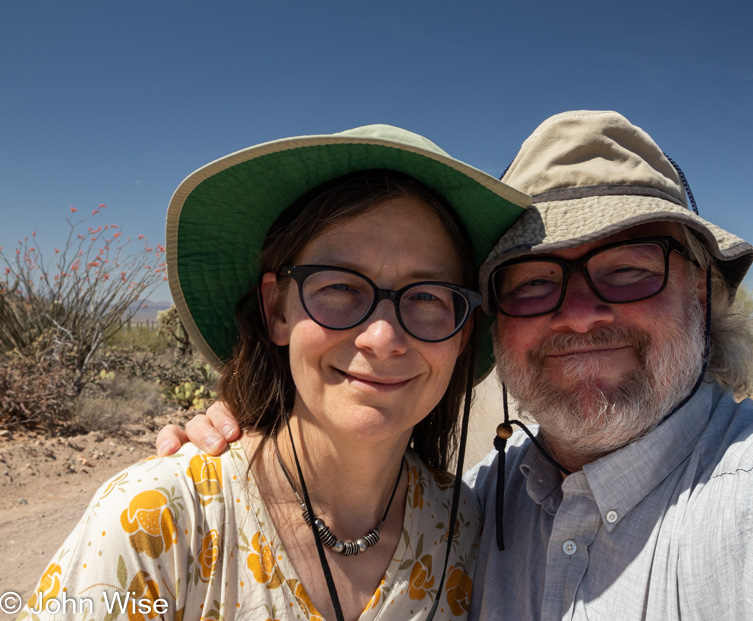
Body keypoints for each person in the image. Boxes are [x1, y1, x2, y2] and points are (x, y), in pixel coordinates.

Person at [157, 111, 753, 620]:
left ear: (703, 295)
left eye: (631, 268)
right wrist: (239, 457)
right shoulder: (475, 512)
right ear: (495, 323)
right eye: (535, 282)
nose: (578, 312)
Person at [19, 124, 530, 621]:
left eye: (426, 297)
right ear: (277, 310)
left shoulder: (463, 531)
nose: (382, 338)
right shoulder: (158, 524)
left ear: (462, 333)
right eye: (339, 288)